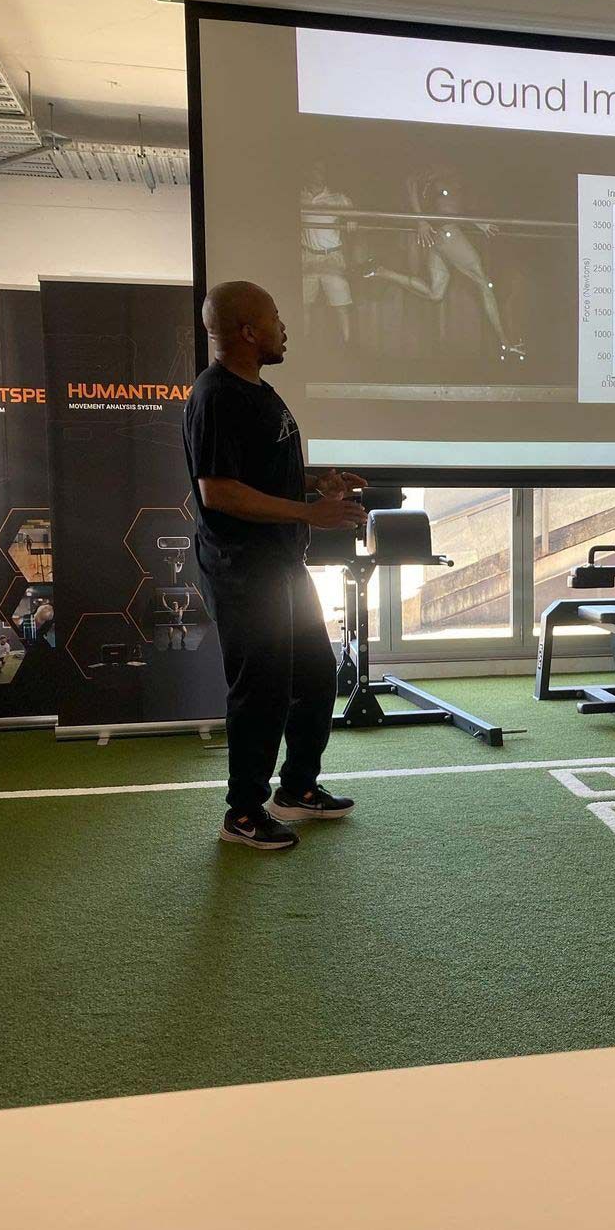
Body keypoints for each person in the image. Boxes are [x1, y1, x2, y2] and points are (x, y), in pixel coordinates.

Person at [183, 280, 368, 852]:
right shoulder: (216, 396)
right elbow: (220, 493)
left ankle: (296, 790)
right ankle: (243, 812)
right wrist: (311, 513)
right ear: (247, 331)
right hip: (243, 569)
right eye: (276, 317)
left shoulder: (261, 393)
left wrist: (318, 484)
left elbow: (262, 477)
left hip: (283, 565)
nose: (284, 328)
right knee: (259, 689)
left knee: (314, 675)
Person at [364, 165, 525, 362]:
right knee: (483, 282)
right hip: (448, 234)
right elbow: (430, 196)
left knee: (436, 293)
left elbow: (430, 195)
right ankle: (505, 343)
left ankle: (381, 272)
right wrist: (422, 221)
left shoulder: (437, 180)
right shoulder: (442, 179)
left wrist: (423, 221)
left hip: (439, 237)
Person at [301, 161, 357, 346]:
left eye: (320, 170)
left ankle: (348, 345)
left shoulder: (337, 197)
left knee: (340, 304)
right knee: (304, 304)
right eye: (313, 170)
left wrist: (350, 220)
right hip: (307, 256)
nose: (316, 174)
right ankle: (304, 343)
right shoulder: (299, 196)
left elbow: (354, 217)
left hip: (331, 256)